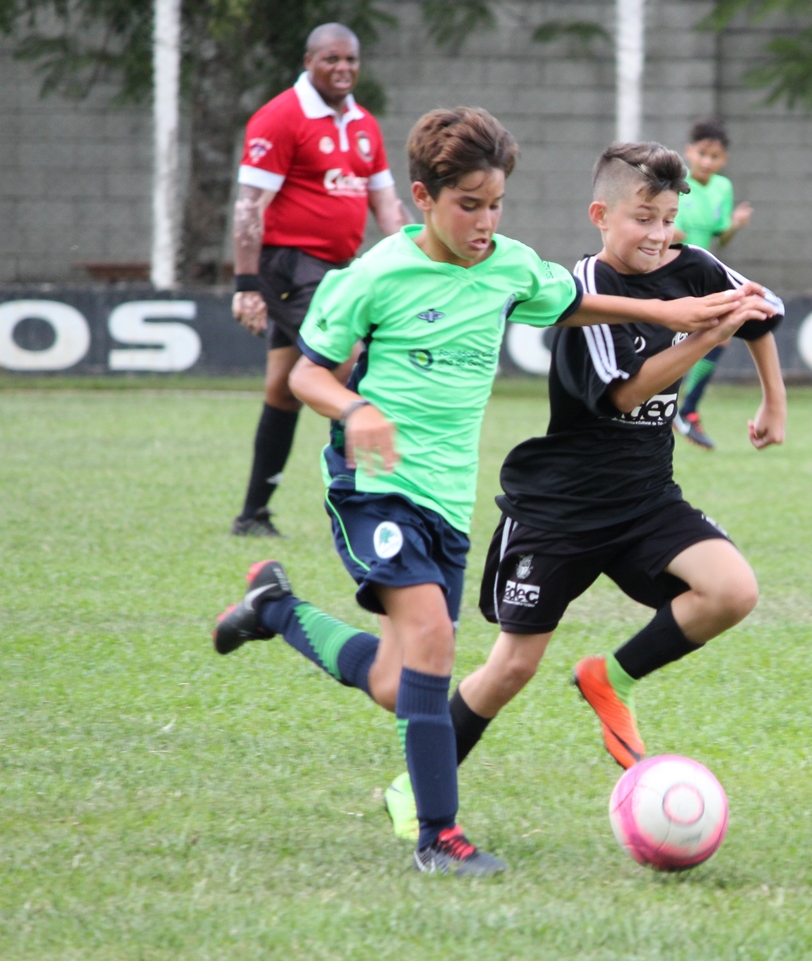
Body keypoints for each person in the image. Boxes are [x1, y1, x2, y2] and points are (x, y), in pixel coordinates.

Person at [210, 109, 774, 877]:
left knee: (395, 679)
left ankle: (274, 607)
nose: (483, 222)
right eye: (467, 205)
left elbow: (573, 302)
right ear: (421, 198)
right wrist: (357, 409)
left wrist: (666, 312)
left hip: (446, 495)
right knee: (438, 653)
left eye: (494, 205)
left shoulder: (509, 266)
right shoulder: (375, 274)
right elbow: (305, 372)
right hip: (374, 481)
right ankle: (439, 838)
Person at [381, 140, 786, 841]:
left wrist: (771, 401)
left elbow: (759, 310)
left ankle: (610, 677)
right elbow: (626, 396)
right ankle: (413, 787)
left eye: (668, 218)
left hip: (644, 498)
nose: (659, 235)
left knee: (731, 590)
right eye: (642, 219)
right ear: (601, 215)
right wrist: (703, 334)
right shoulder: (581, 294)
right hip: (557, 511)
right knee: (512, 666)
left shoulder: (692, 266)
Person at [228, 22, 410, 538]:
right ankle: (371, 495)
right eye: (332, 59)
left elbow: (386, 206)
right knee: (351, 363)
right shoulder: (281, 117)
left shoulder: (363, 124)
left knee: (285, 389)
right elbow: (249, 207)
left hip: (336, 270)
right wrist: (245, 283)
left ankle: (252, 515)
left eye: (350, 60)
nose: (343, 69)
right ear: (309, 61)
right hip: (289, 265)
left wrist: (416, 264)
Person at [670, 116, 756, 451]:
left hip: (704, 272)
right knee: (685, 338)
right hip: (672, 270)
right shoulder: (675, 182)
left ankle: (686, 411)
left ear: (724, 160)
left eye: (714, 157)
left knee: (719, 337)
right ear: (689, 152)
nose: (707, 162)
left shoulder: (722, 187)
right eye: (702, 154)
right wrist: (667, 232)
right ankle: (678, 411)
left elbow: (721, 237)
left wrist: (735, 225)